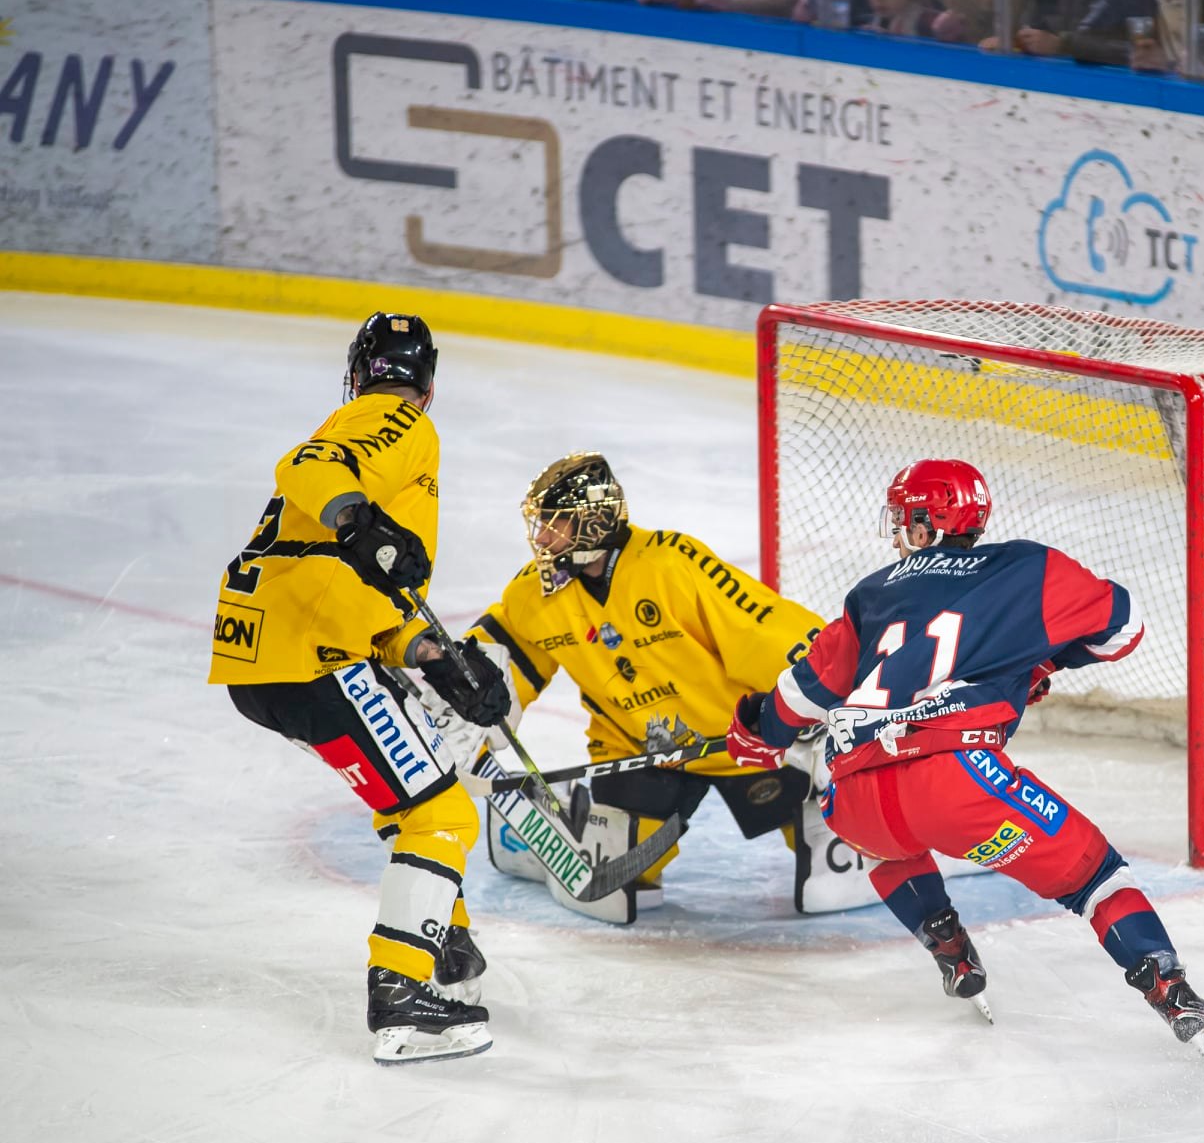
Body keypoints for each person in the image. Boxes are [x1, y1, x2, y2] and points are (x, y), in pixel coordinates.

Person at [725, 458, 1204, 1057]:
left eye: (904, 518)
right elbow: (1123, 630)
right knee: (1095, 877)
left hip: (853, 801)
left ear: (927, 522)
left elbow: (799, 696)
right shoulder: (1026, 567)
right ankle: (1172, 992)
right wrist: (1038, 660)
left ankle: (946, 943)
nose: (898, 532)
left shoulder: (870, 594)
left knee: (891, 843)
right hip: (958, 785)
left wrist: (756, 733)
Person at [208, 313, 513, 1066]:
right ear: (427, 385)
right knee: (440, 814)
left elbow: (346, 582)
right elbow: (306, 466)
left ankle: (443, 940)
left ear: (356, 367)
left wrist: (435, 659)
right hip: (311, 655)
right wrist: (362, 522)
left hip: (266, 656)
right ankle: (403, 994)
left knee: (409, 795)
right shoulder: (395, 419)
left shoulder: (360, 425)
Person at [432, 452, 903, 925]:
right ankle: (559, 834)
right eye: (542, 523)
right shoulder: (535, 593)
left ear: (593, 523)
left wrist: (828, 705)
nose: (542, 537)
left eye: (557, 523)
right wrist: (462, 700)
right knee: (614, 890)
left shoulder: (669, 564)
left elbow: (766, 630)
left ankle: (916, 827)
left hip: (744, 740)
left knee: (831, 873)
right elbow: (495, 657)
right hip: (640, 748)